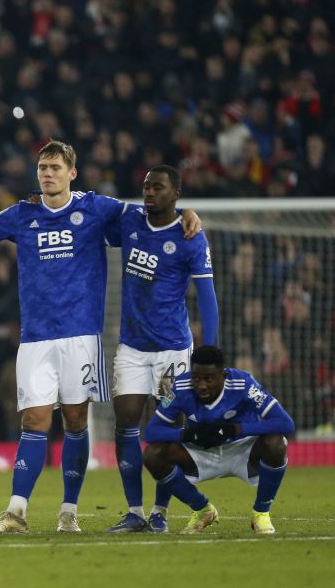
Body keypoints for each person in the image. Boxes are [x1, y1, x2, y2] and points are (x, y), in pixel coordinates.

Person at [0, 141, 200, 533]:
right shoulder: (24, 214)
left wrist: (187, 212)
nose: (47, 173)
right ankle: (16, 512)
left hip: (80, 335)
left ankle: (69, 511)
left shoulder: (97, 209)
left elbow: (151, 214)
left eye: (54, 167)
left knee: (74, 420)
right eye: (42, 168)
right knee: (33, 420)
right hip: (35, 337)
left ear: (72, 173)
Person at [105, 165, 219, 533]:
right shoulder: (129, 221)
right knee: (124, 422)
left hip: (172, 350)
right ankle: (135, 511)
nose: (149, 192)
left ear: (177, 193)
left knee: (166, 430)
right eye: (145, 186)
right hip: (132, 347)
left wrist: (210, 354)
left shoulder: (190, 237)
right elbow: (88, 208)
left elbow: (207, 298)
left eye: (158, 187)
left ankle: (160, 511)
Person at [143, 345, 294, 534]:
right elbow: (151, 432)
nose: (202, 385)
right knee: (153, 454)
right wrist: (189, 435)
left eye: (209, 379)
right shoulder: (180, 387)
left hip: (242, 451)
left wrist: (237, 429)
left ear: (223, 376)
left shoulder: (244, 384)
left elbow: (286, 423)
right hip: (201, 453)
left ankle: (261, 514)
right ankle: (202, 509)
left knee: (276, 443)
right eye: (196, 379)